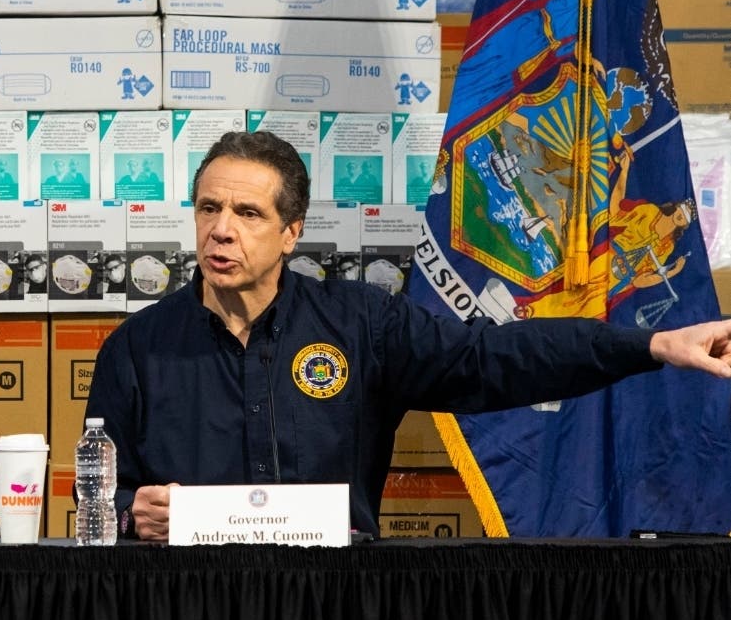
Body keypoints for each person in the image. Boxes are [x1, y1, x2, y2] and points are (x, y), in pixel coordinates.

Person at [84, 130, 731, 541]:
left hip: (333, 611)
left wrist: (649, 345)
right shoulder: (136, 350)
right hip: (182, 612)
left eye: (246, 212)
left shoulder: (361, 324)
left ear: (290, 232)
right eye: (208, 208)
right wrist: (125, 513)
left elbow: (496, 357)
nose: (221, 229)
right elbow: (100, 498)